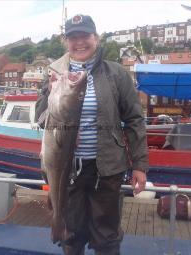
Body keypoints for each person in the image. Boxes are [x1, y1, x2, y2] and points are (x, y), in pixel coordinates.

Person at [36, 14, 149, 255]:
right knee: (72, 234)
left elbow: (134, 120)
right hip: (67, 168)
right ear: (66, 42)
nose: (79, 43)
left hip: (107, 169)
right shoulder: (53, 73)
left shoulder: (116, 73)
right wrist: (49, 91)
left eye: (85, 36)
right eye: (73, 37)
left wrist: (139, 164)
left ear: (95, 38)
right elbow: (39, 116)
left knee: (106, 236)